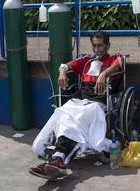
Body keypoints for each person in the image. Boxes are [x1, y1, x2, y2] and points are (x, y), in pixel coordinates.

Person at [29, 31, 123, 180]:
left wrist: (104, 74)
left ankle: (59, 158)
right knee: (62, 112)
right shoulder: (86, 60)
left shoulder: (114, 58)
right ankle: (57, 159)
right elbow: (65, 66)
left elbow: (118, 65)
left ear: (108, 45)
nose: (97, 49)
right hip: (80, 102)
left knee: (78, 119)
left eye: (100, 46)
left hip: (97, 104)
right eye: (94, 46)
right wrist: (62, 72)